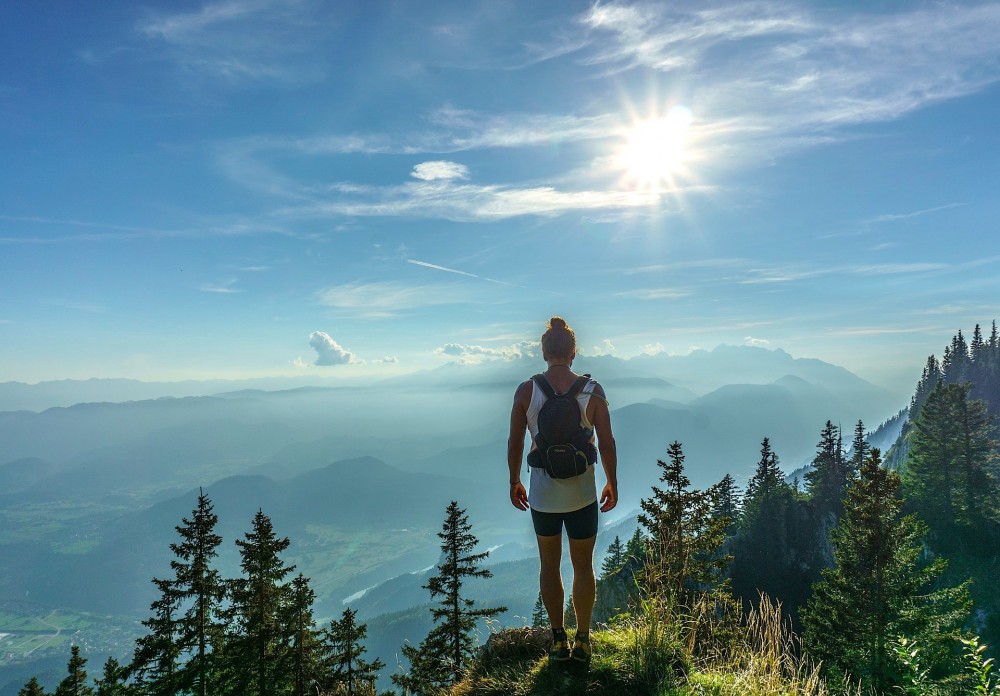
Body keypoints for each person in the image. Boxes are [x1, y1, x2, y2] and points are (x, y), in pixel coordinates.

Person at [507, 316, 618, 664]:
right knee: (583, 567)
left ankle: (558, 641)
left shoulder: (527, 391)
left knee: (549, 565)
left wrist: (514, 480)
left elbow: (515, 440)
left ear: (544, 352)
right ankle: (583, 640)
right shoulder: (592, 391)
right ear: (573, 352)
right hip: (582, 495)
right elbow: (607, 442)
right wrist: (612, 481)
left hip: (543, 496)